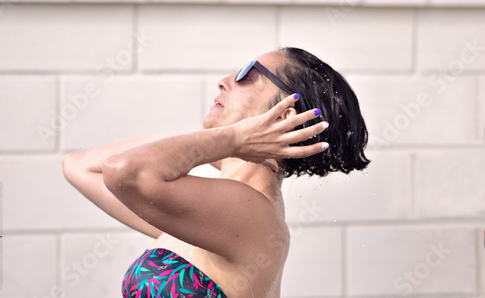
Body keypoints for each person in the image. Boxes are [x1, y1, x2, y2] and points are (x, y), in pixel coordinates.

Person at [63, 47, 370, 298]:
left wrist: (232, 140)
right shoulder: (213, 213)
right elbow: (79, 166)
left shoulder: (253, 214)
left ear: (283, 116)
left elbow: (124, 171)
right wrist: (223, 144)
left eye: (248, 75)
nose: (225, 81)